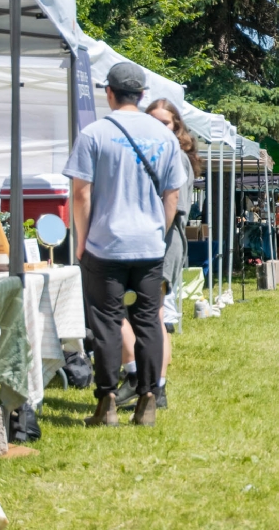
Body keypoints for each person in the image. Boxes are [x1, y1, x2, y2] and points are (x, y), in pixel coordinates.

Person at [64, 62, 186, 427]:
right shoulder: (165, 137)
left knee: (106, 323)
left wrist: (82, 241)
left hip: (106, 245)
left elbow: (81, 194)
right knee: (149, 320)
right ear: (142, 95)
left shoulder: (93, 134)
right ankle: (149, 398)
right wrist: (157, 234)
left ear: (109, 93)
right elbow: (172, 197)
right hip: (149, 246)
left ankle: (107, 403)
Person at [115, 99, 199, 412]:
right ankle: (149, 383)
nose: (157, 127)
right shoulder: (155, 153)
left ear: (178, 127)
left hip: (163, 244)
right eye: (152, 121)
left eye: (164, 122)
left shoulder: (175, 156)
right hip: (149, 243)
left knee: (150, 315)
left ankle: (147, 383)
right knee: (146, 316)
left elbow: (173, 207)